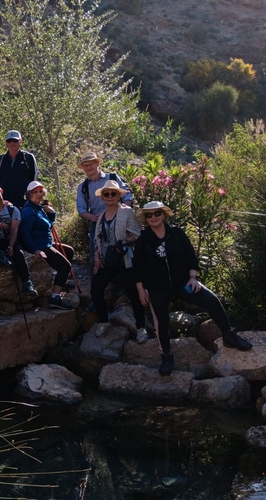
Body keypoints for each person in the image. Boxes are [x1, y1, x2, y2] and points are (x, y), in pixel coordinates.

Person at [133, 201, 251, 376]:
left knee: (211, 299)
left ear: (164, 214)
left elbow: (190, 255)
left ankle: (229, 335)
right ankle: (166, 357)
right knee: (161, 322)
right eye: (149, 215)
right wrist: (141, 290)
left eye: (156, 213)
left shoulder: (177, 234)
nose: (153, 217)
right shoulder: (143, 240)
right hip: (156, 287)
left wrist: (193, 277)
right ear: (145, 218)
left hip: (183, 283)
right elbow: (138, 267)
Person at [89, 180, 146, 342]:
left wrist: (126, 242)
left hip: (124, 260)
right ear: (102, 197)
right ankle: (104, 320)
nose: (109, 196)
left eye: (113, 193)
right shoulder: (101, 216)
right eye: (106, 194)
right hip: (107, 260)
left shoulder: (127, 212)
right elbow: (98, 239)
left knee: (133, 294)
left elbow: (137, 233)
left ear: (119, 195)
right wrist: (97, 258)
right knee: (96, 289)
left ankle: (141, 328)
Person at [19, 181, 74, 310]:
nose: (38, 194)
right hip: (39, 245)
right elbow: (24, 232)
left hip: (45, 242)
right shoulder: (29, 211)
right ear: (29, 195)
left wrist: (52, 213)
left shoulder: (38, 208)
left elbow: (47, 225)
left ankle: (61, 281)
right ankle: (55, 297)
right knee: (65, 266)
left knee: (69, 251)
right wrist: (34, 249)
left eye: (40, 191)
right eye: (35, 192)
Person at [75, 151, 133, 267]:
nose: (88, 168)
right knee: (95, 258)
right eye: (85, 166)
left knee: (125, 253)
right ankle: (98, 283)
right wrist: (92, 217)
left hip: (119, 220)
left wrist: (124, 211)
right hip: (97, 223)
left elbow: (127, 195)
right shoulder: (83, 186)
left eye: (90, 164)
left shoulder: (112, 177)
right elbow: (81, 209)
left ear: (97, 163)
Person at [0, 130, 38, 209]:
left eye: (15, 140)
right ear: (6, 143)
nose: (12, 143)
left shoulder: (28, 158)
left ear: (20, 142)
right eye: (9, 141)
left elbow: (34, 180)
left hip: (25, 202)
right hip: (6, 203)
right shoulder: (0, 160)